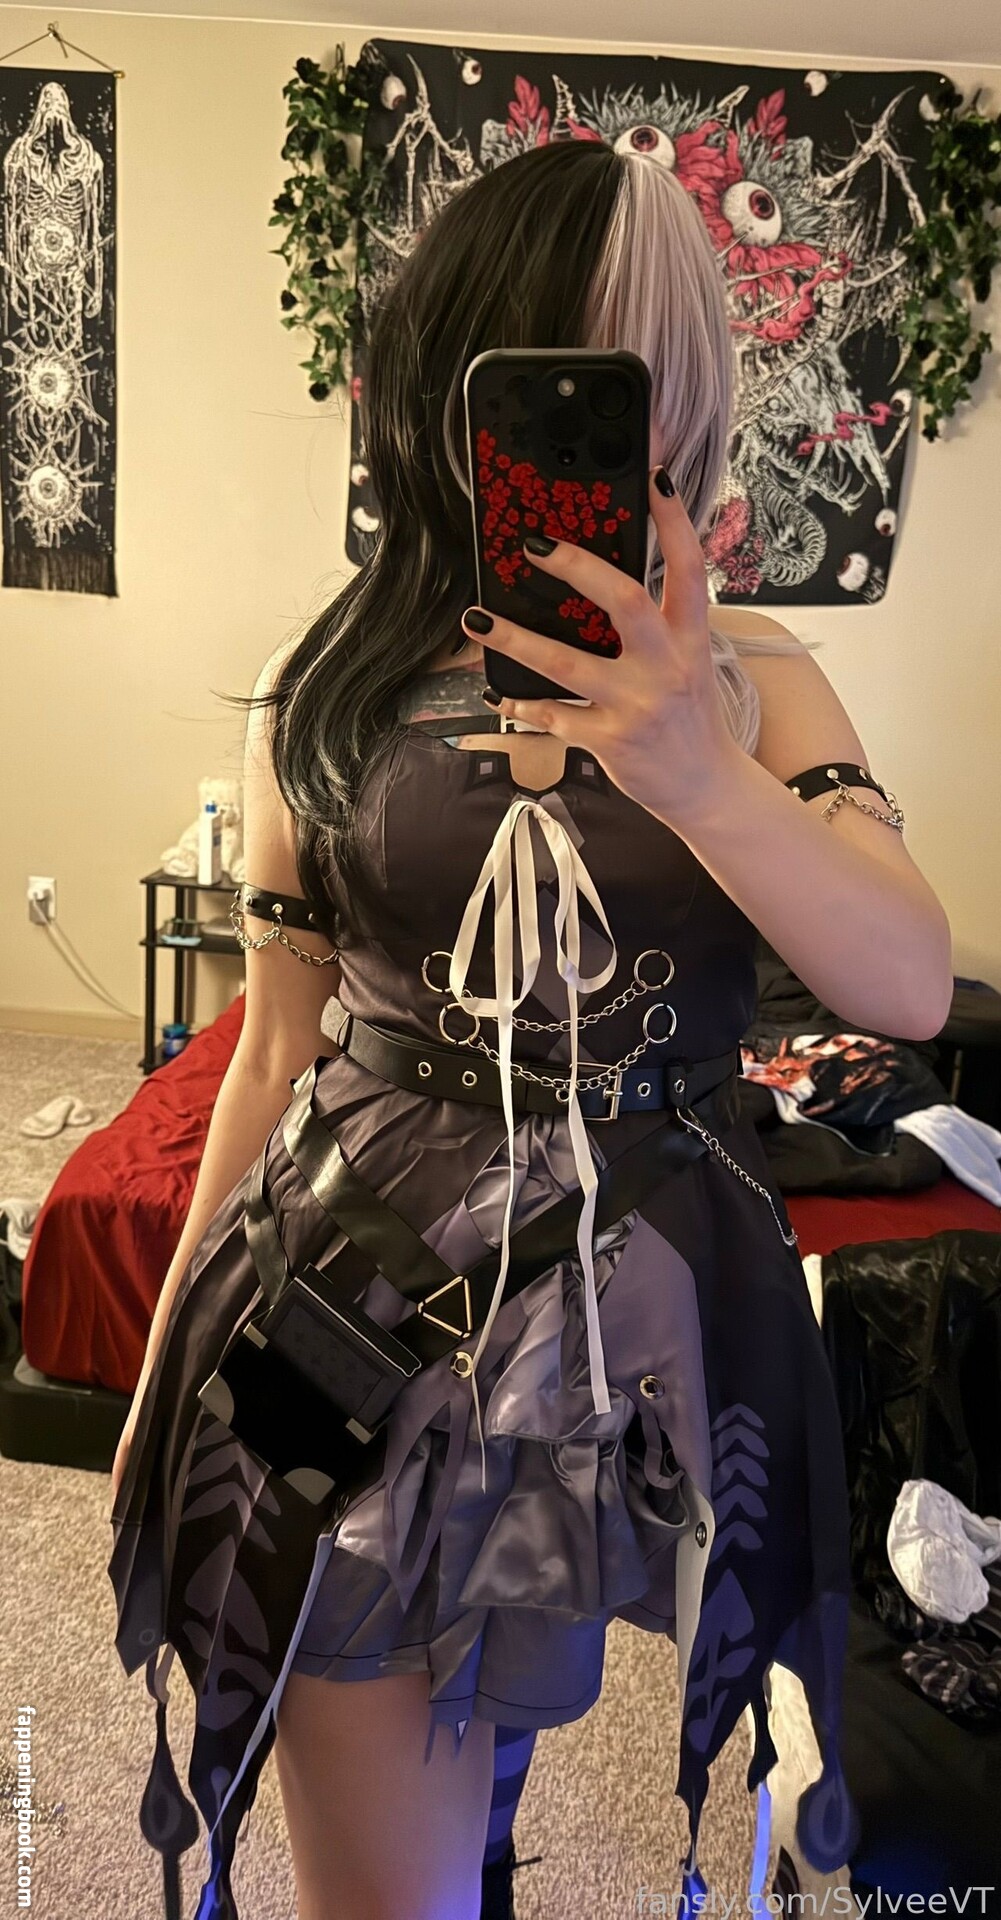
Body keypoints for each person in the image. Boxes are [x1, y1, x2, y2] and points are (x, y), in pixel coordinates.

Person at [107, 139, 952, 1920]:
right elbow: (272, 1047)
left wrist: (699, 768)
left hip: (641, 1319)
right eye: (568, 379)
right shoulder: (324, 686)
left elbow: (903, 986)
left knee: (490, 1712)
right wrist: (170, 1348)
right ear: (456, 386)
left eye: (651, 382)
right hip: (351, 1293)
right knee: (374, 1779)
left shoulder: (757, 682)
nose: (624, 429)